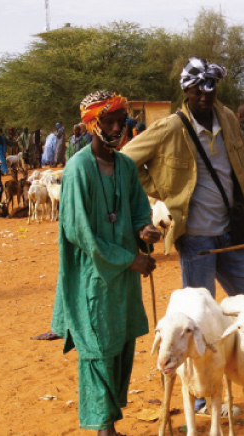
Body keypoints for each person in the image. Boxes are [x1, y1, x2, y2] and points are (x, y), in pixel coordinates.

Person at [51, 90, 161, 436]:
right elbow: (78, 231)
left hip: (124, 281)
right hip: (94, 277)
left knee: (120, 345)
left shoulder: (126, 165)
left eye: (120, 121)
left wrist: (145, 230)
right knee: (97, 349)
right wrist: (129, 260)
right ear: (92, 125)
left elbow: (139, 210)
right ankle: (103, 429)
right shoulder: (77, 169)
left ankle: (109, 425)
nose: (117, 128)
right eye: (109, 121)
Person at [122, 57, 244, 308]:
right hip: (194, 239)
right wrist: (160, 190)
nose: (204, 97)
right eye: (196, 91)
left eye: (209, 90)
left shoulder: (229, 120)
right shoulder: (170, 127)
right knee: (200, 312)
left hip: (231, 232)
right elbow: (125, 160)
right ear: (186, 91)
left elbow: (241, 171)